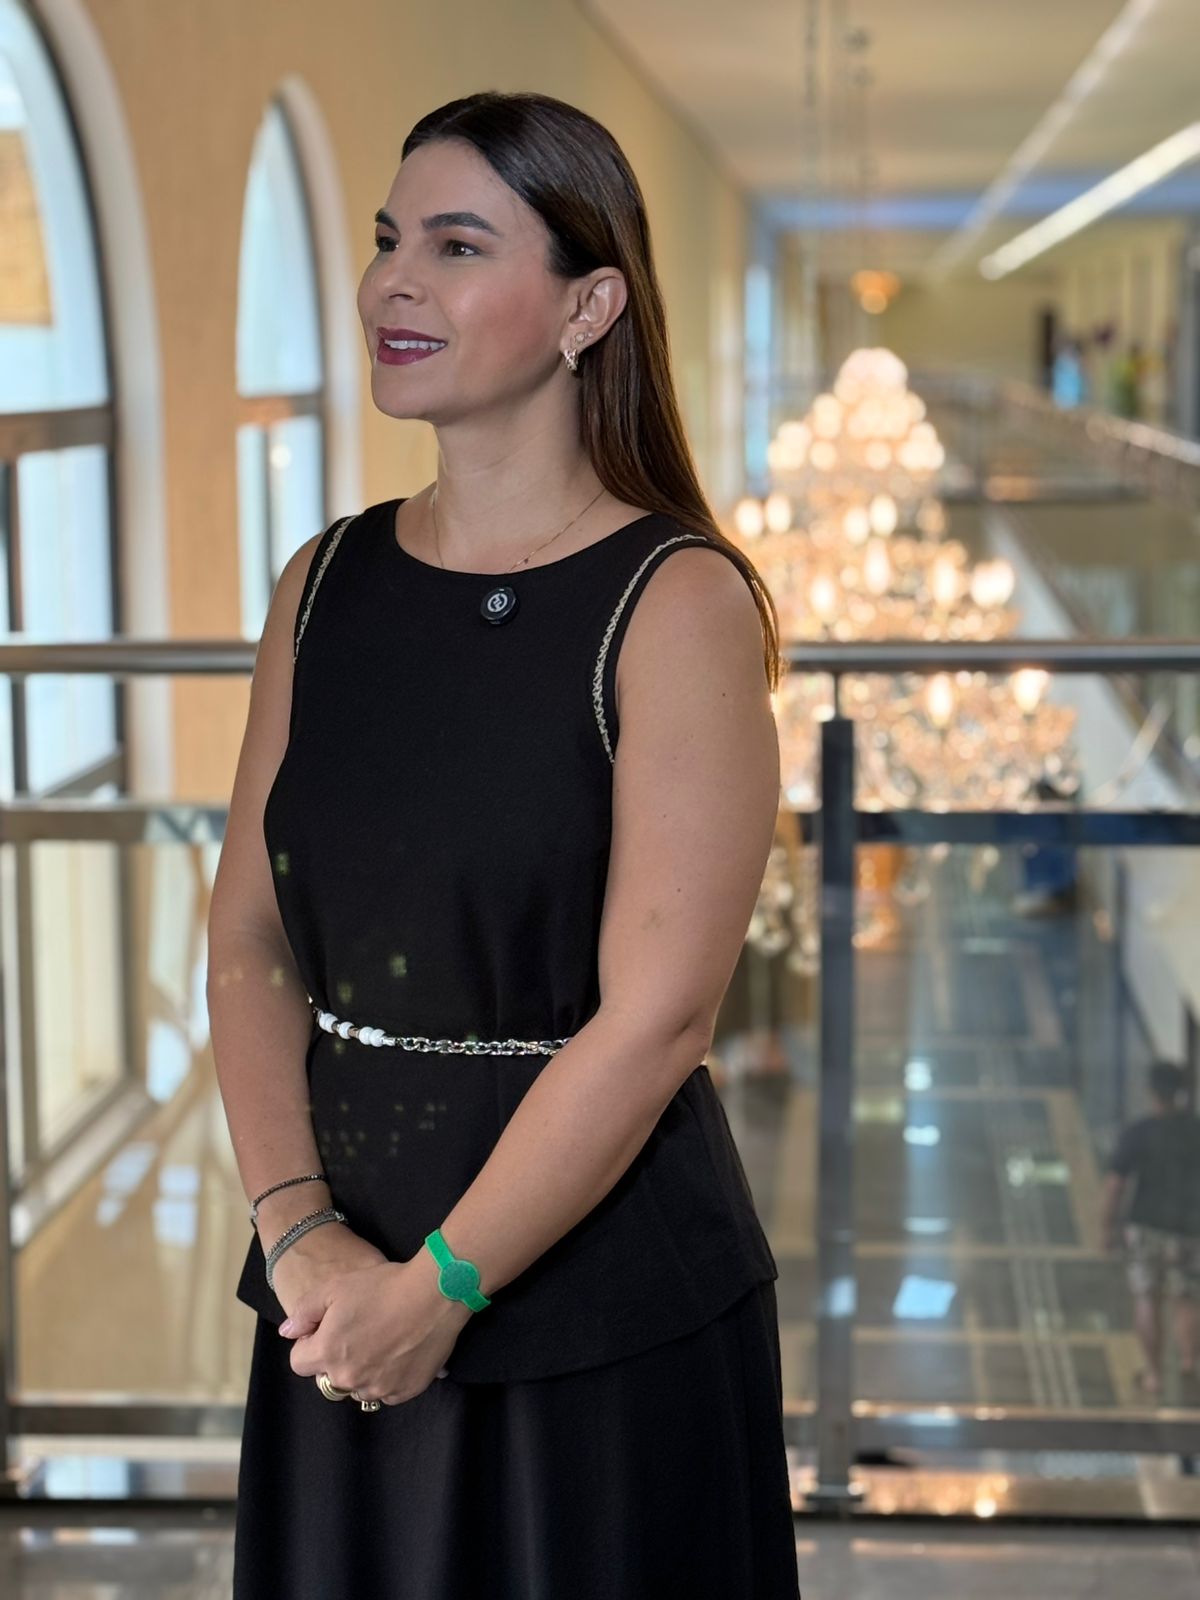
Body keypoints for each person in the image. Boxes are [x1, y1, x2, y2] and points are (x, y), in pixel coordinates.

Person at [208, 90, 801, 1598]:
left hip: (593, 1308)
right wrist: (300, 1237)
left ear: (589, 306)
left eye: (457, 247)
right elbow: (249, 938)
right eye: (389, 239)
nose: (393, 283)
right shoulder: (321, 583)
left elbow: (658, 1018)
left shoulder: (676, 602)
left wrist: (443, 1285)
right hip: (336, 1299)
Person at [1102, 1061, 1200, 1398]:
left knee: (1147, 1297)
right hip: (1190, 1228)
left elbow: (1115, 1184)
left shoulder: (1140, 1132)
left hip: (1146, 1227)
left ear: (1151, 1092)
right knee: (1187, 1298)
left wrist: (1106, 1227)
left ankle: (1154, 1375)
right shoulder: (1196, 1130)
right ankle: (1190, 1363)